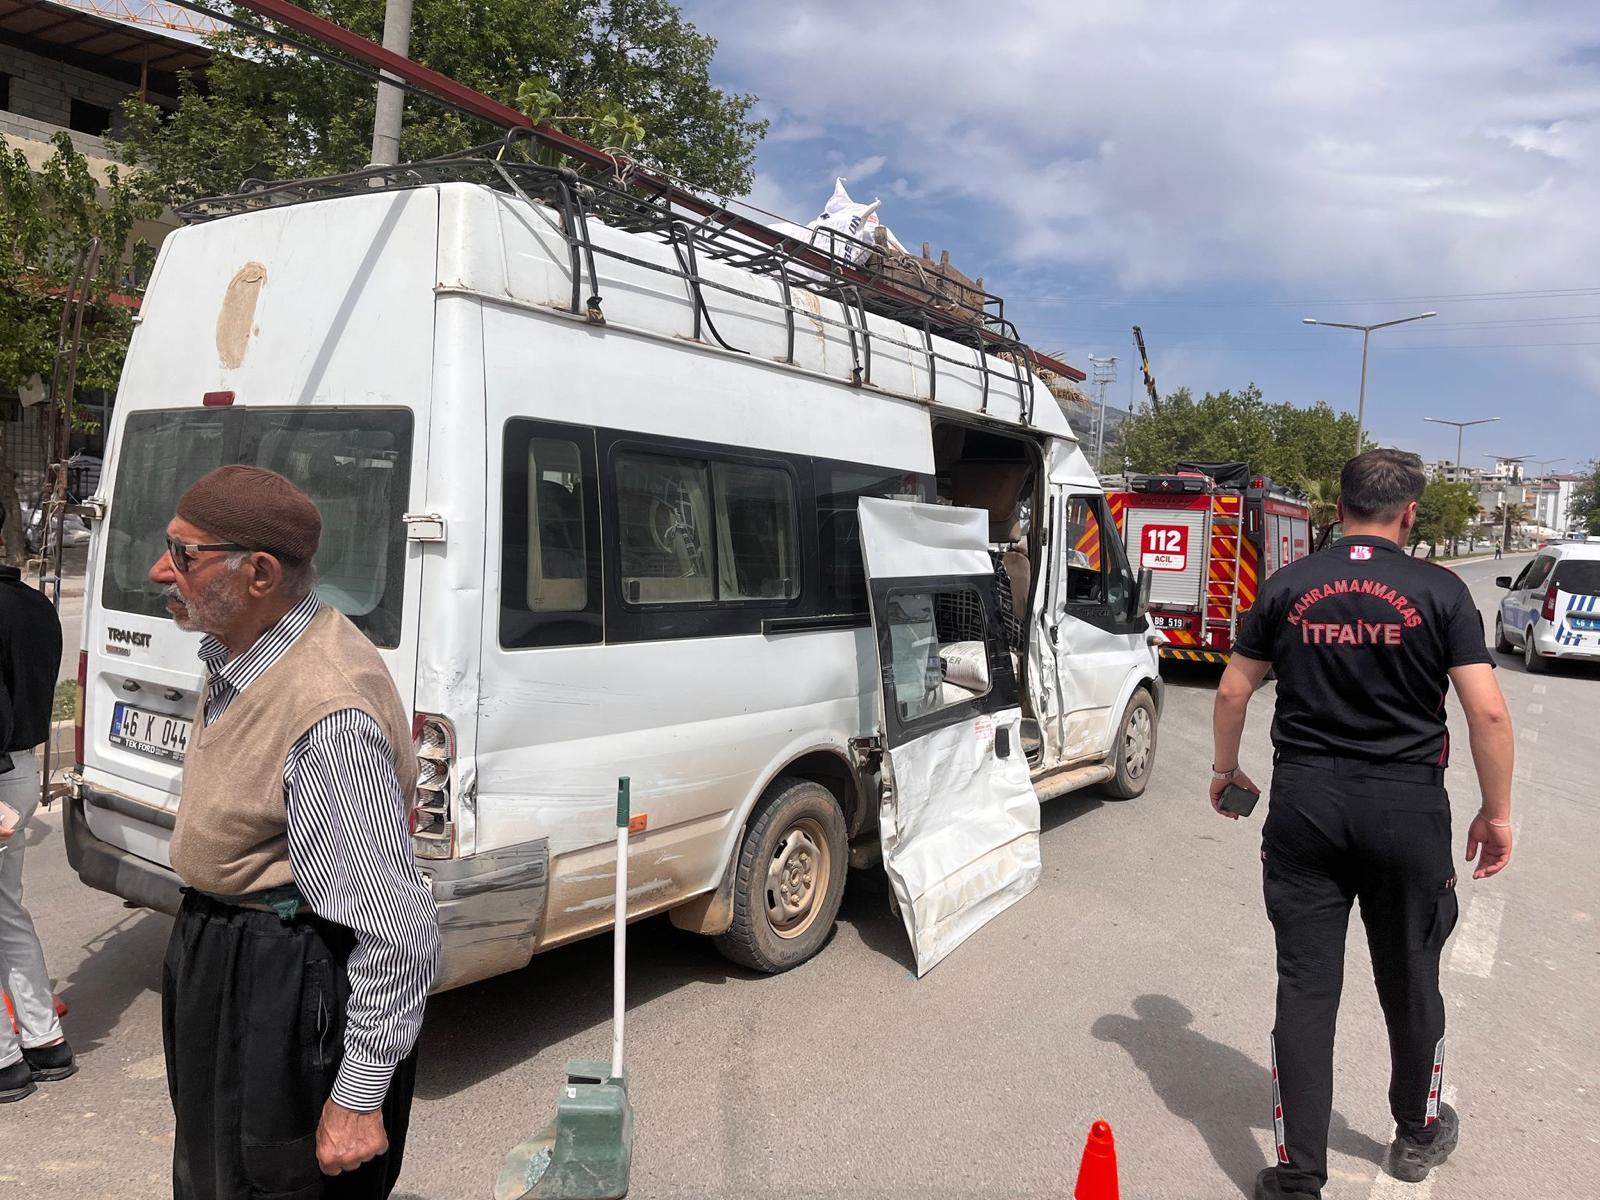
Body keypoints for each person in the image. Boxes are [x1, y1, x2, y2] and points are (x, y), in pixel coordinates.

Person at [1210, 449, 1515, 1200]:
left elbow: (1232, 690)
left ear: (1338, 505)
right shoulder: (1439, 592)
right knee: (1411, 978)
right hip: (1404, 808)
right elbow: (1487, 712)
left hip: (1307, 805)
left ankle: (1298, 1178)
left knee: (1306, 988)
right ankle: (1416, 1133)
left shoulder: (1286, 587)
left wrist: (1225, 770)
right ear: (1408, 512)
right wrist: (1496, 812)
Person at [151, 466, 439, 1199]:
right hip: (231, 961)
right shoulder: (244, 654)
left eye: (184, 555)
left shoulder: (328, 712)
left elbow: (398, 930)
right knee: (218, 1175)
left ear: (259, 573)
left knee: (271, 1183)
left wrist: (357, 1097)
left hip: (284, 986)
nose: (162, 570)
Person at [0, 561, 70, 1103]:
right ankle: (45, 1041)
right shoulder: (37, 605)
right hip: (21, 768)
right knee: (8, 910)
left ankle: (5, 1061)